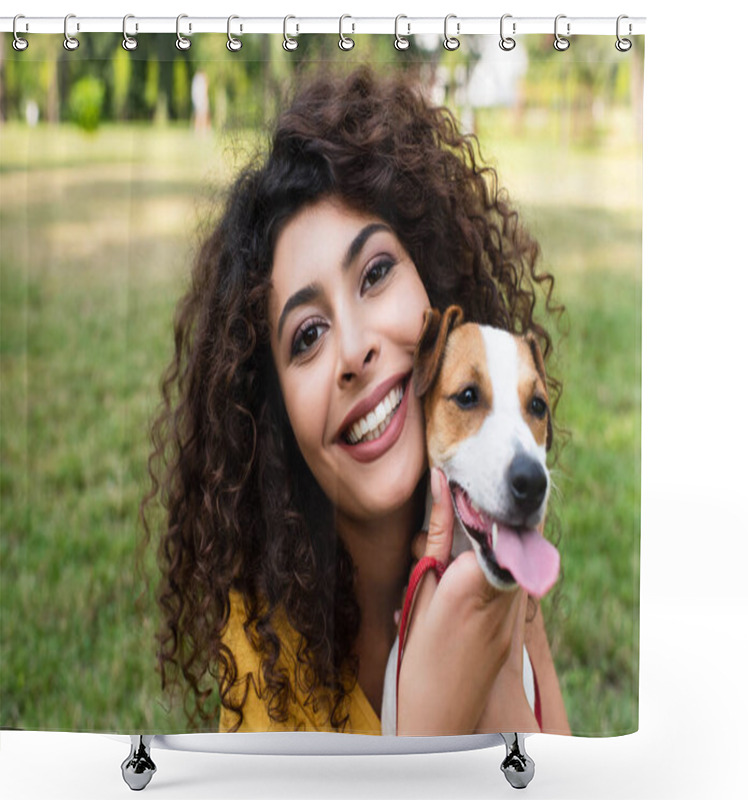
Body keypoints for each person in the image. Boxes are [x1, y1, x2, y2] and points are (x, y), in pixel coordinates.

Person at [142, 67, 569, 737]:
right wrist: (427, 736)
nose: (355, 351)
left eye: (375, 273)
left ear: (434, 284)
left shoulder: (496, 536)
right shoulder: (264, 656)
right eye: (307, 336)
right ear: (273, 409)